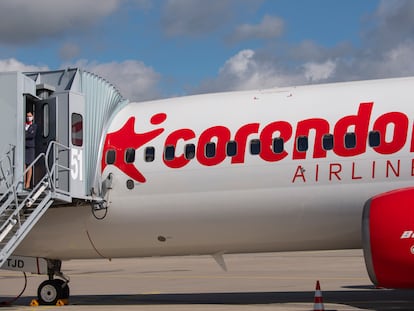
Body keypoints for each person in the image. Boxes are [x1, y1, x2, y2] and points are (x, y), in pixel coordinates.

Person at [25, 112, 37, 189]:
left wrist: (25, 134)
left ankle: (28, 184)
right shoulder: (24, 125)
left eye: (30, 116)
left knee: (29, 165)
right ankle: (23, 181)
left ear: (32, 117)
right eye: (27, 116)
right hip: (24, 147)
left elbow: (32, 135)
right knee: (24, 165)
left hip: (30, 147)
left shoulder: (34, 126)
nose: (29, 117)